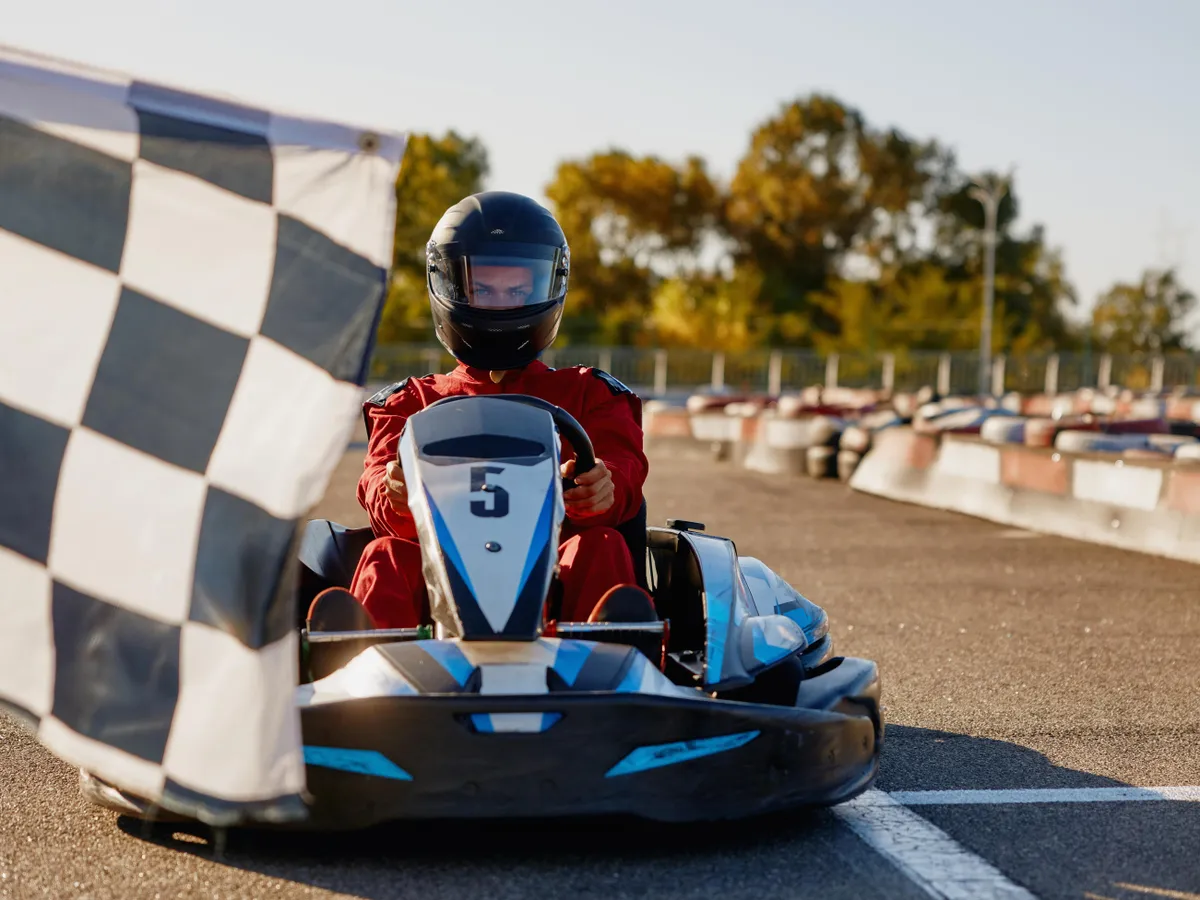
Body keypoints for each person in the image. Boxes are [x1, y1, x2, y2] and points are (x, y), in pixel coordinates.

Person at [307, 191, 656, 633]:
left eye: (516, 291)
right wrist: (394, 491)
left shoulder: (590, 394)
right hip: (437, 598)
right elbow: (377, 481)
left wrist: (602, 487)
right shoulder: (408, 402)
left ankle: (611, 665)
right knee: (386, 554)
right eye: (484, 290)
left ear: (548, 286)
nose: (501, 305)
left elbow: (625, 466)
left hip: (551, 595)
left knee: (600, 546)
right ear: (450, 287)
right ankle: (368, 677)